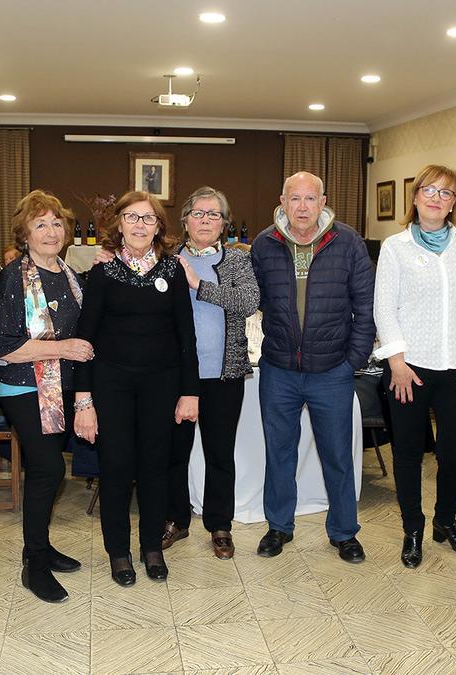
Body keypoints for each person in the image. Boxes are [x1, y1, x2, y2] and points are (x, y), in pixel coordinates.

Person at [72, 191, 199, 586]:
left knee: (154, 469)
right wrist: (84, 400)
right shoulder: (103, 273)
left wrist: (190, 392)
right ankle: (119, 553)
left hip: (162, 385)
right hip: (112, 386)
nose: (140, 225)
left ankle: (151, 548)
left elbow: (186, 337)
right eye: (132, 217)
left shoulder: (173, 271)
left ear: (159, 226)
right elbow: (85, 339)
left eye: (148, 218)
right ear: (119, 224)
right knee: (116, 469)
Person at [250, 171, 376, 564]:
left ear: (323, 202)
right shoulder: (264, 244)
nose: (302, 207)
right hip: (279, 370)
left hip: (331, 372)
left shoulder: (348, 242)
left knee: (337, 455)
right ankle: (278, 527)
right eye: (294, 199)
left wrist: (351, 361)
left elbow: (366, 308)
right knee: (279, 452)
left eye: (310, 199)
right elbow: (246, 297)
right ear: (282, 202)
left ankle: (343, 532)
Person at [373, 164, 456, 568]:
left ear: (455, 202)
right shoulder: (395, 247)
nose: (437, 198)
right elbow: (384, 308)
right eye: (430, 190)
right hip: (409, 369)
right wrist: (397, 362)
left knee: (454, 454)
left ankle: (445, 521)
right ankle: (414, 528)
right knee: (407, 453)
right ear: (416, 195)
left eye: (447, 193)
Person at [0, 190, 92, 602]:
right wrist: (62, 349)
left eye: (57, 223)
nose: (51, 231)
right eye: (40, 224)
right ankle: (34, 563)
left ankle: (43, 547)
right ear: (25, 232)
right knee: (48, 469)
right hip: (24, 386)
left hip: (59, 387)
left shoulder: (68, 274)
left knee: (51, 471)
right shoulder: (15, 276)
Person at [161, 187, 259, 559]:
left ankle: (220, 525)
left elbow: (248, 301)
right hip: (175, 376)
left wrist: (199, 285)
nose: (205, 220)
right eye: (198, 213)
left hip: (223, 374)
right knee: (174, 453)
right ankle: (176, 519)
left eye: (214, 214)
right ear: (184, 220)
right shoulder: (166, 260)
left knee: (220, 454)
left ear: (224, 224)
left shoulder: (236, 261)